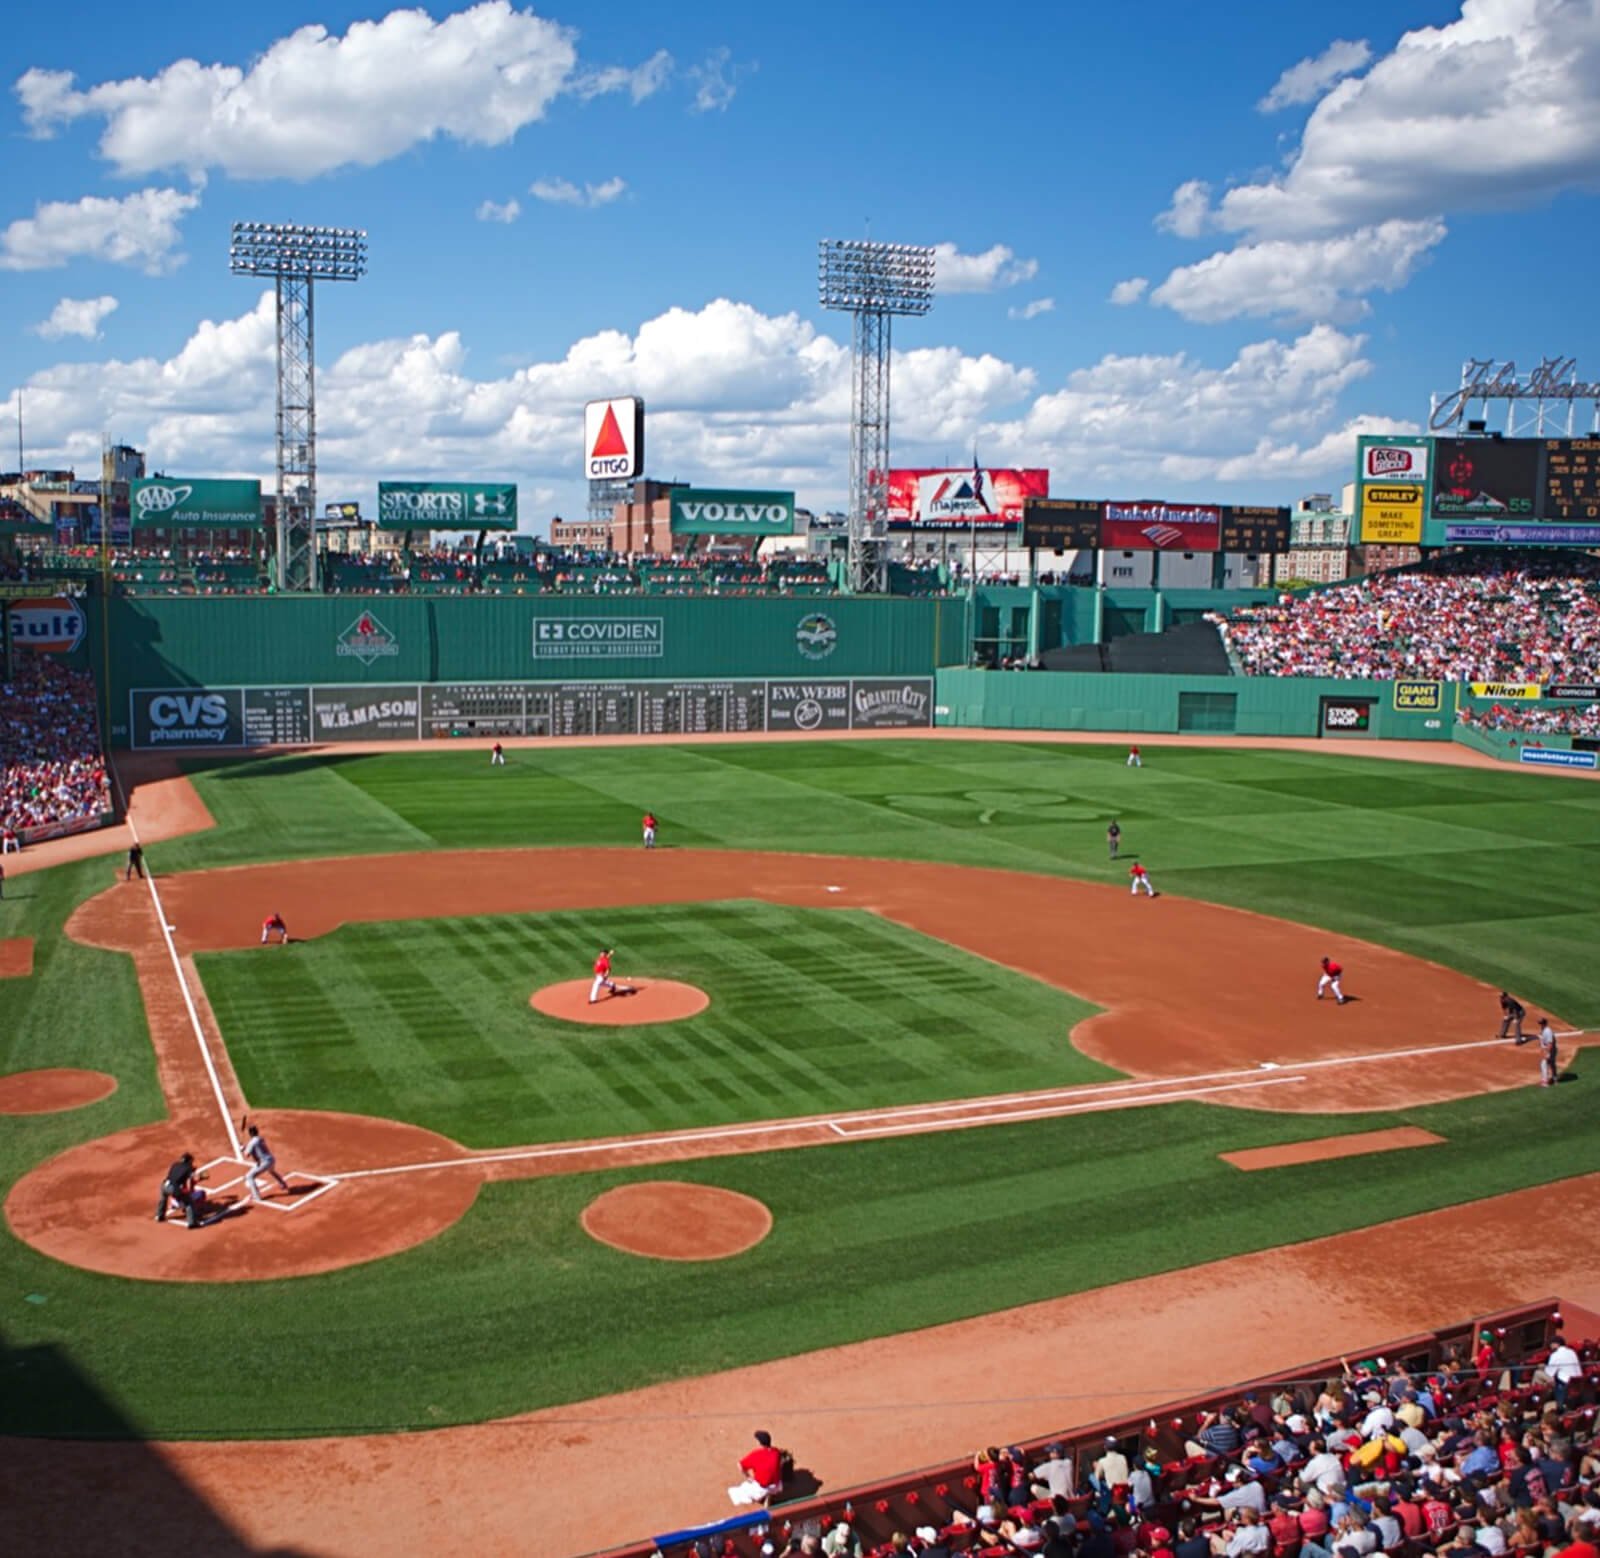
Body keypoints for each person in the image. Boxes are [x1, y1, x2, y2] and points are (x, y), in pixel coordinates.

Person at [728, 1428, 784, 1506]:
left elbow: (740, 1465)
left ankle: (764, 1496)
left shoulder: (756, 1455)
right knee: (769, 1482)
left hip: (761, 1489)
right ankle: (769, 1495)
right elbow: (780, 1464)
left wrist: (748, 1477)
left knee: (737, 1491)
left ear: (759, 1442)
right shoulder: (776, 1452)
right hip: (777, 1486)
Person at [242, 1123, 291, 1203]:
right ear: (256, 1131)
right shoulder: (260, 1139)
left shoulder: (252, 1142)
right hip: (271, 1160)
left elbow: (247, 1155)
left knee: (249, 1176)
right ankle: (283, 1184)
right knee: (271, 1171)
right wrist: (246, 1148)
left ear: (250, 1133)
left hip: (264, 1163)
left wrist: (243, 1149)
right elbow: (255, 1151)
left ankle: (256, 1196)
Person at [154, 1151, 205, 1227]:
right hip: (174, 1189)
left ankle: (159, 1215)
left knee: (163, 1199)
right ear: (189, 1161)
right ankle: (192, 1223)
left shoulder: (175, 1164)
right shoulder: (189, 1168)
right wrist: (201, 1177)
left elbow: (176, 1174)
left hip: (164, 1185)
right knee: (189, 1202)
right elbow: (193, 1179)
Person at [1538, 1017, 1559, 1087]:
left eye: (1541, 1023)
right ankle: (1555, 1078)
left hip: (1550, 1050)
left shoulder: (1548, 1031)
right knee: (1552, 1064)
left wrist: (1547, 1053)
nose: (1540, 1024)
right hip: (1550, 1049)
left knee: (1544, 1064)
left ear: (1545, 1023)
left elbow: (1550, 1043)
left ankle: (1545, 1082)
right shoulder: (1544, 1029)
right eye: (1540, 1023)